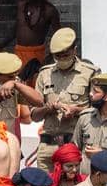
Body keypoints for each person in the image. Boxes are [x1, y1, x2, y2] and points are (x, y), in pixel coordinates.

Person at [29, 28, 98, 169]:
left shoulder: (90, 72)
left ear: (75, 50)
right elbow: (34, 116)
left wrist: (76, 110)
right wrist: (48, 108)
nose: (61, 59)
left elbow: (98, 111)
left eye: (65, 55)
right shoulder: (45, 74)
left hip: (75, 142)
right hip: (48, 145)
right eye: (58, 56)